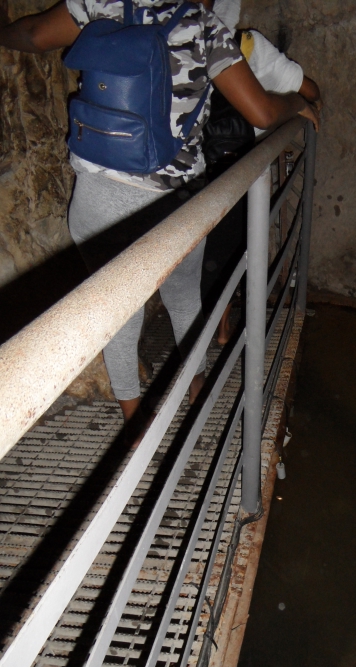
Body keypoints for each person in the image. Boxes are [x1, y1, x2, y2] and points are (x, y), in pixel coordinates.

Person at [0, 0, 319, 444]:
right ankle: (195, 383)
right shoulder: (201, 25)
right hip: (170, 203)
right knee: (184, 296)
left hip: (95, 196)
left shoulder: (102, 1)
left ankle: (135, 419)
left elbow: (34, 36)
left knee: (116, 312)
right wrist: (297, 103)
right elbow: (262, 113)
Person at [202, 0, 321, 344]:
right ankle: (221, 330)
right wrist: (300, 104)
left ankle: (206, 332)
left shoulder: (169, 40)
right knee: (231, 247)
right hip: (232, 164)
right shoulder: (244, 47)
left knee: (205, 251)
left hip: (186, 168)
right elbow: (306, 91)